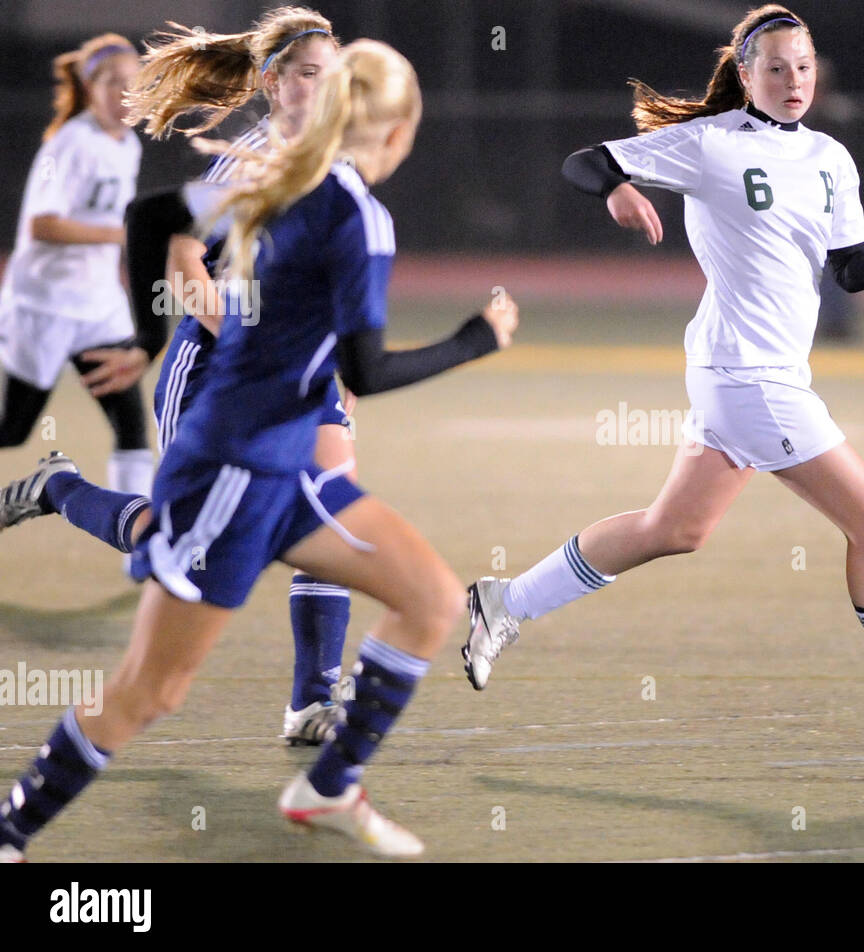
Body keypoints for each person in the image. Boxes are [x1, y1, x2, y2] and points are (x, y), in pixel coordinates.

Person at [0, 39, 518, 862]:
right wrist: (476, 340)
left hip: (281, 460)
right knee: (150, 690)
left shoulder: (279, 176)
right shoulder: (354, 213)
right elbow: (367, 372)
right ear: (400, 129)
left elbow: (150, 218)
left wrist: (141, 338)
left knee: (429, 599)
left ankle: (326, 786)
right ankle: (10, 832)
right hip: (237, 469)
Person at [462, 5, 864, 741]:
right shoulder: (709, 144)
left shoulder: (832, 159)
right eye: (776, 69)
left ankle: (504, 602)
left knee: (675, 528)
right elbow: (585, 161)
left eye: (804, 67)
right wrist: (617, 188)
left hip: (763, 374)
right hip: (745, 376)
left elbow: (844, 275)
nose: (794, 81)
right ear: (747, 76)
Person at [1, 8, 356, 745]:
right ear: (272, 82)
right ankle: (58, 487)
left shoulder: (338, 159)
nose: (324, 89)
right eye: (308, 74)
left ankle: (312, 702)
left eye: (333, 74)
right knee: (182, 548)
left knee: (336, 518)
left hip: (300, 378)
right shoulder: (250, 162)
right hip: (215, 373)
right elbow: (185, 262)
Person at [0, 34, 153, 519]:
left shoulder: (127, 143)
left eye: (134, 84)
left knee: (131, 424)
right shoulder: (68, 143)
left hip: (98, 309)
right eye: (113, 83)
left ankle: (141, 545)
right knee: (14, 430)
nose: (124, 94)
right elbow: (42, 224)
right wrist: (121, 236)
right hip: (43, 306)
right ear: (90, 86)